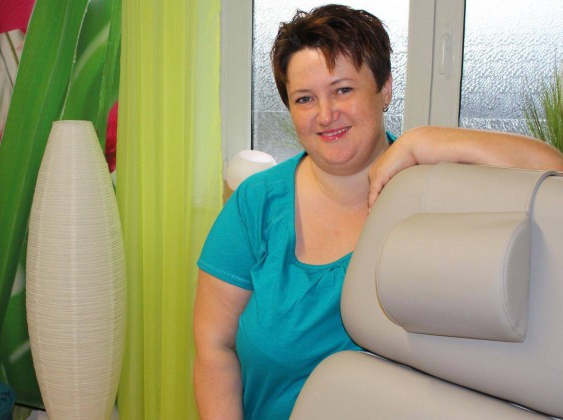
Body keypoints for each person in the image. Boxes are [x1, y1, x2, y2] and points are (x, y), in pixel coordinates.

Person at [193, 4, 563, 420]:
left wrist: (423, 140)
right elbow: (213, 346)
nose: (326, 114)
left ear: (385, 89)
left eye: (343, 90)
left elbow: (552, 171)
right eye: (305, 98)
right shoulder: (257, 203)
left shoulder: (434, 193)